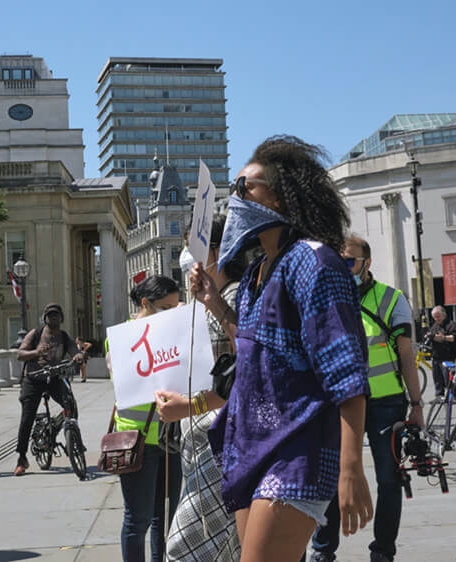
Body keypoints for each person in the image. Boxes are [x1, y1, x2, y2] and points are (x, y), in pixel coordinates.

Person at [190, 136, 373, 562]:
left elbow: (346, 374)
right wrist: (214, 302)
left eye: (244, 188)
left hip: (299, 450)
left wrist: (351, 469)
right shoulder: (257, 271)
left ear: (280, 197)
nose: (234, 200)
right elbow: (256, 349)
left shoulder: (315, 262)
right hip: (251, 447)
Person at [308, 235, 424, 562]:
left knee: (389, 478)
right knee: (331, 478)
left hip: (386, 405)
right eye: (337, 261)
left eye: (349, 261)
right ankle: (322, 551)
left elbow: (406, 355)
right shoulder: (325, 301)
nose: (343, 268)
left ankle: (383, 551)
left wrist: (416, 405)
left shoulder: (391, 299)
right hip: (339, 405)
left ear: (366, 263)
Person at [155, 216, 247, 561]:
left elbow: (247, 366)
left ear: (218, 251)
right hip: (199, 446)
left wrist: (189, 406)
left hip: (223, 441)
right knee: (227, 549)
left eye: (192, 245)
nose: (185, 255)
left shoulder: (236, 295)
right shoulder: (202, 302)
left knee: (184, 548)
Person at [109, 275, 183, 562]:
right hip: (136, 439)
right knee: (137, 519)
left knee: (165, 518)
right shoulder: (122, 336)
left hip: (171, 438)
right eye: (166, 307)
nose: (172, 314)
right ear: (145, 303)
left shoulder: (173, 335)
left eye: (176, 307)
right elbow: (124, 381)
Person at [14, 303, 81, 476]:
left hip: (55, 377)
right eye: (50, 315)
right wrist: (36, 352)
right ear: (45, 318)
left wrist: (78, 355)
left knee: (71, 405)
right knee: (27, 417)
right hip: (34, 378)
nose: (53, 318)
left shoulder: (64, 337)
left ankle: (69, 436)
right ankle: (21, 458)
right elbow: (20, 354)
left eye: (56, 315)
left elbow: (74, 350)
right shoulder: (36, 334)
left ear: (61, 318)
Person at [427, 305, 456, 399]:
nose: (436, 318)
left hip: (448, 355)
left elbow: (455, 337)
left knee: (448, 378)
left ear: (443, 315)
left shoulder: (451, 325)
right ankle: (439, 395)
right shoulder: (435, 326)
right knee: (437, 377)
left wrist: (444, 338)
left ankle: (453, 396)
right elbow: (431, 334)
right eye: (434, 317)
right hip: (436, 355)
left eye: (438, 316)